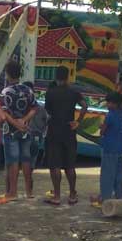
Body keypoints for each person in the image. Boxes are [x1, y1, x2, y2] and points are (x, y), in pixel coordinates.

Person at [43, 66, 87, 205]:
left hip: (54, 130)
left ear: (56, 77)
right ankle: (72, 194)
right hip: (69, 130)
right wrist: (78, 121)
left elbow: (47, 112)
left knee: (54, 165)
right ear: (68, 76)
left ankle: (56, 196)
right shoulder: (74, 92)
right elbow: (84, 105)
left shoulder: (50, 93)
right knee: (70, 165)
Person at [0, 60, 37, 200]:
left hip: (10, 131)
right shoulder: (28, 90)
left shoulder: (5, 92)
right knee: (26, 160)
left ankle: (13, 192)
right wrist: (24, 120)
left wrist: (16, 124)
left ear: (7, 74)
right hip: (26, 130)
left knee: (13, 161)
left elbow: (5, 114)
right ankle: (29, 192)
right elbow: (34, 108)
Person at [96, 92, 122, 206]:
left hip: (109, 148)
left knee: (107, 176)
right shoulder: (121, 114)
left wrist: (101, 127)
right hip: (120, 149)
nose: (107, 104)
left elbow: (103, 131)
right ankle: (119, 197)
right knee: (118, 175)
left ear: (114, 103)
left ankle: (105, 199)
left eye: (109, 102)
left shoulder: (110, 115)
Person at [22, 81, 49, 170]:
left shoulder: (40, 107)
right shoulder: (40, 107)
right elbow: (46, 120)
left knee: (31, 154)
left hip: (33, 134)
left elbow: (46, 120)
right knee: (32, 155)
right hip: (32, 134)